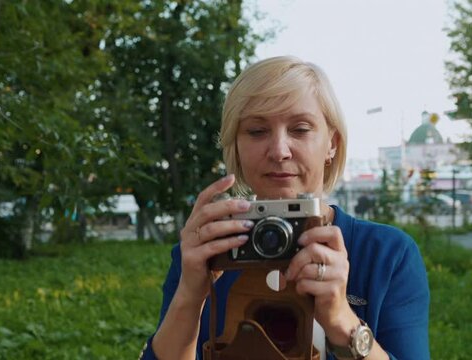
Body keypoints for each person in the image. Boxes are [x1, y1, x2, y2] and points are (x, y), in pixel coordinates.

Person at [139, 56, 430, 360]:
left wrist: (342, 320)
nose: (279, 150)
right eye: (256, 131)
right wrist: (190, 296)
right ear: (234, 144)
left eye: (300, 129)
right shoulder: (208, 251)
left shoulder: (387, 255)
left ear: (332, 143)